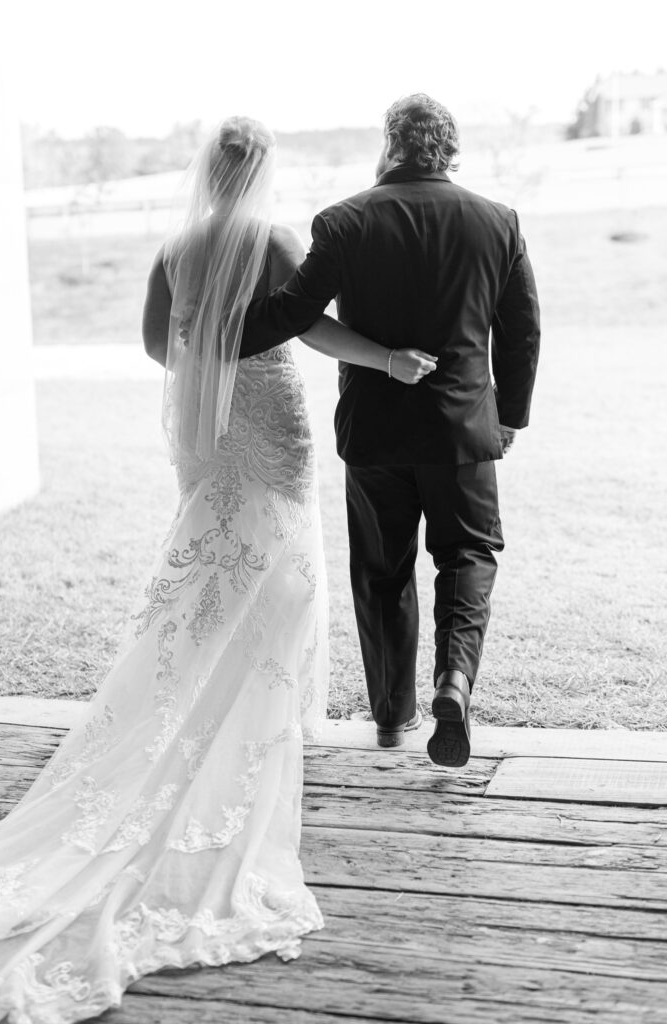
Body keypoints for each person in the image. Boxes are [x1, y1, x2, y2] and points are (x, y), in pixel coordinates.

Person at [0, 117, 431, 1023]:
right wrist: (387, 357)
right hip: (273, 422)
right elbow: (311, 329)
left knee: (212, 567)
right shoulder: (272, 239)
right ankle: (267, 710)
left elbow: (157, 348)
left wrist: (203, 360)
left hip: (216, 432)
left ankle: (204, 689)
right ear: (259, 171)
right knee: (284, 567)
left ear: (206, 172)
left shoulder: (175, 247)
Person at [240, 94, 541, 767]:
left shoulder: (344, 220)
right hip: (463, 430)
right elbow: (521, 330)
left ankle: (390, 718)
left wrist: (216, 337)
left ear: (389, 144)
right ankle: (454, 684)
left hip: (374, 433)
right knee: (466, 557)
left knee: (382, 572)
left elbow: (291, 311)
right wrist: (510, 415)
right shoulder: (496, 221)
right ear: (447, 148)